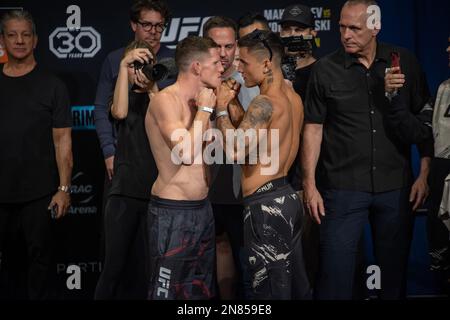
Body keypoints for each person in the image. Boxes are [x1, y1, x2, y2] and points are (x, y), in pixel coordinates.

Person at [302, 0, 431, 299]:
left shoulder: (404, 62)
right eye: (342, 27)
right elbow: (313, 128)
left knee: (392, 279)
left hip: (394, 189)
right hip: (342, 188)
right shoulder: (325, 69)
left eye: (354, 28)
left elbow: (425, 123)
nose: (346, 35)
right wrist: (309, 183)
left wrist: (424, 174)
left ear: (375, 27)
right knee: (335, 279)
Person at [215, 30, 311, 299]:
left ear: (267, 64)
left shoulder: (265, 102)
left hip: (266, 207)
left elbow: (235, 150)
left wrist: (221, 107)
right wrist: (234, 103)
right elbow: (257, 144)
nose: (238, 68)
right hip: (285, 198)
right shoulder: (292, 99)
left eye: (243, 62)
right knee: (291, 287)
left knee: (267, 293)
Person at [93, 0, 172, 294]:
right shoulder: (115, 60)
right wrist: (109, 151)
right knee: (114, 262)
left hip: (161, 171)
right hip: (124, 168)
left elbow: (175, 114)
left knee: (153, 263)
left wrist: (153, 85)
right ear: (133, 25)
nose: (153, 32)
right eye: (147, 24)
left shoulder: (173, 62)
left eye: (159, 26)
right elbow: (105, 110)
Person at [0, 10, 72, 299]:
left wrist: (64, 189)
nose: (19, 40)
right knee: (7, 269)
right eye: (12, 34)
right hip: (1, 197)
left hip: (41, 195)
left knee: (41, 269)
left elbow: (63, 141)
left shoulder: (53, 86)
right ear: (2, 40)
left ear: (36, 40)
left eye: (25, 34)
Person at [144, 36, 223, 300]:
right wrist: (205, 110)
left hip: (202, 210)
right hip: (173, 213)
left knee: (200, 291)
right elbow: (186, 153)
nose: (223, 66)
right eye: (215, 62)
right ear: (197, 67)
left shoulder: (203, 103)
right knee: (165, 293)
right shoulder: (165, 101)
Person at [94, 40, 158, 299]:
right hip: (124, 192)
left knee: (151, 270)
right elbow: (119, 113)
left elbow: (166, 118)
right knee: (113, 268)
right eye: (134, 65)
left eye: (145, 65)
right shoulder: (121, 98)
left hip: (156, 193)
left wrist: (153, 86)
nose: (139, 71)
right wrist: (122, 64)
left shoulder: (163, 97)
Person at [202, 15, 258, 299]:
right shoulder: (193, 81)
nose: (223, 54)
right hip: (205, 188)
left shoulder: (249, 82)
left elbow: (251, 137)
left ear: (236, 46)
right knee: (219, 249)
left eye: (228, 46)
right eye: (215, 46)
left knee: (248, 260)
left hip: (242, 186)